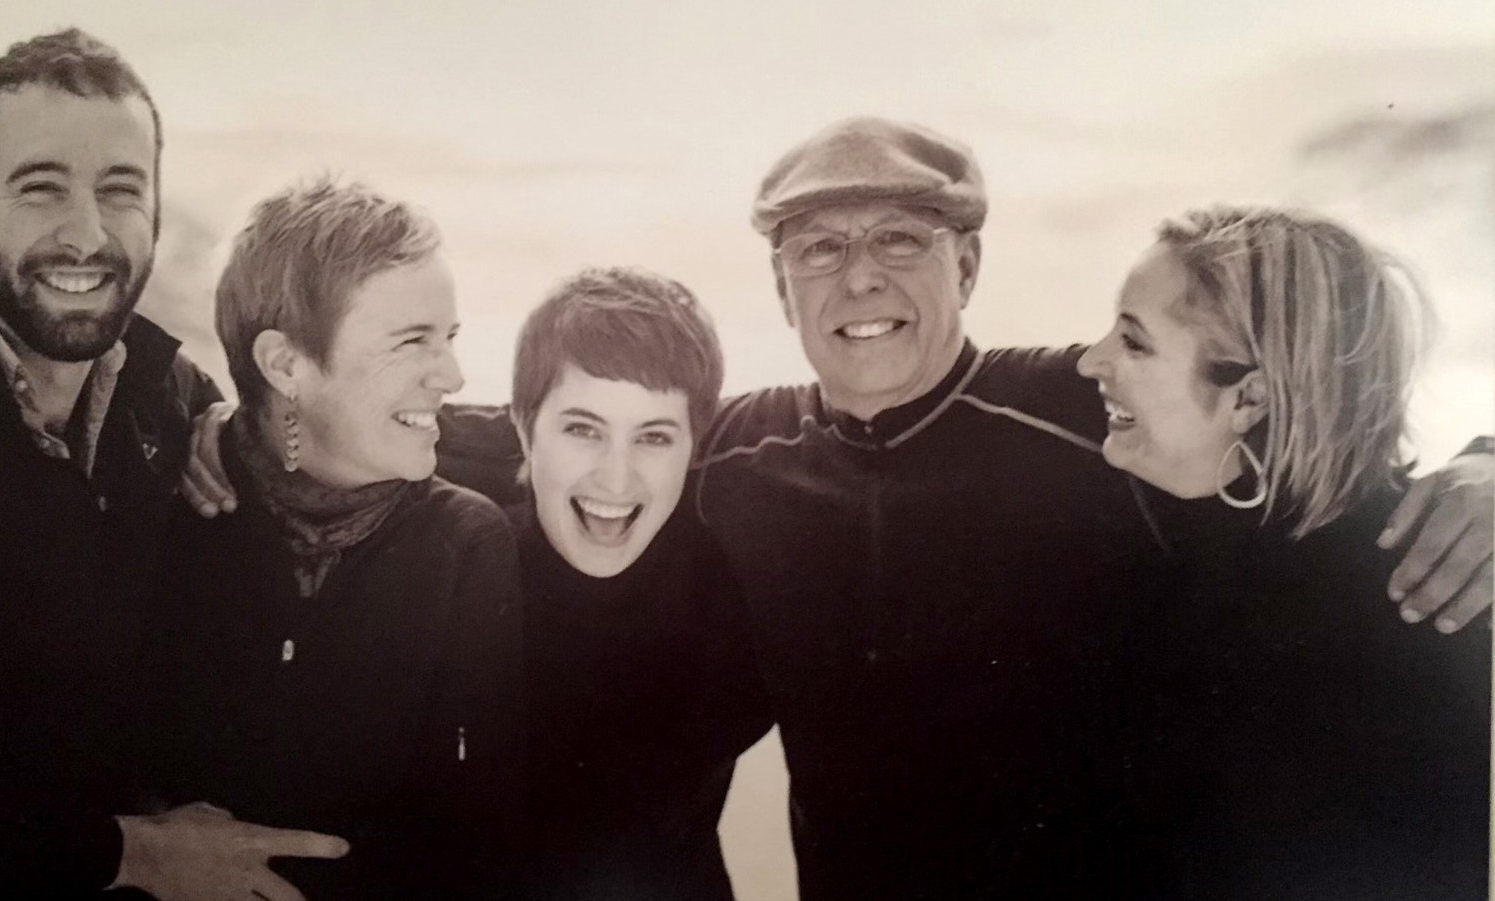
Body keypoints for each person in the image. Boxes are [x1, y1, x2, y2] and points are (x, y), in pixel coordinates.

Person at [186, 117, 1494, 898]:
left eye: (901, 241)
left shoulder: (1094, 424)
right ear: (781, 282)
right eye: (819, 246)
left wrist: (1486, 469)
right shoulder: (742, 450)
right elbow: (563, 422)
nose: (858, 277)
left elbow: (1322, 463)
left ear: (969, 262)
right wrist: (249, 423)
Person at [0, 30, 350, 901]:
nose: (87, 233)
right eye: (41, 187)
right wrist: (131, 854)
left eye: (121, 190)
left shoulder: (169, 393)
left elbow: (323, 424)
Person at [1078, 207, 1490, 898]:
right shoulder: (1189, 520)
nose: (1090, 361)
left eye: (1134, 343)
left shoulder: (1429, 587)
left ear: (1252, 397)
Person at [145, 178, 525, 899]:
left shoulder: (466, 543)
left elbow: (479, 841)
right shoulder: (169, 505)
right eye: (412, 341)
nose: (451, 374)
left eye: (448, 338)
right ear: (285, 364)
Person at [506, 267, 772, 899]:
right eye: (582, 429)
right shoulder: (450, 562)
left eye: (653, 437)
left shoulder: (738, 581)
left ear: (695, 448)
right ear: (522, 428)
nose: (616, 481)